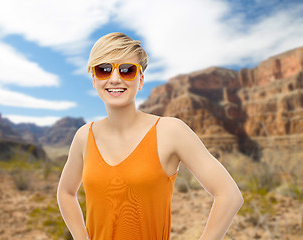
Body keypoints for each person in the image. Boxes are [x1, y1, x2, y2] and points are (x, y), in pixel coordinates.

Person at [57, 32, 244, 240]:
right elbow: (65, 192)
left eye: (127, 70)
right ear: (94, 79)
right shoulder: (84, 136)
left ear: (141, 79)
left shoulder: (170, 131)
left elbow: (229, 195)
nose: (115, 78)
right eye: (104, 69)